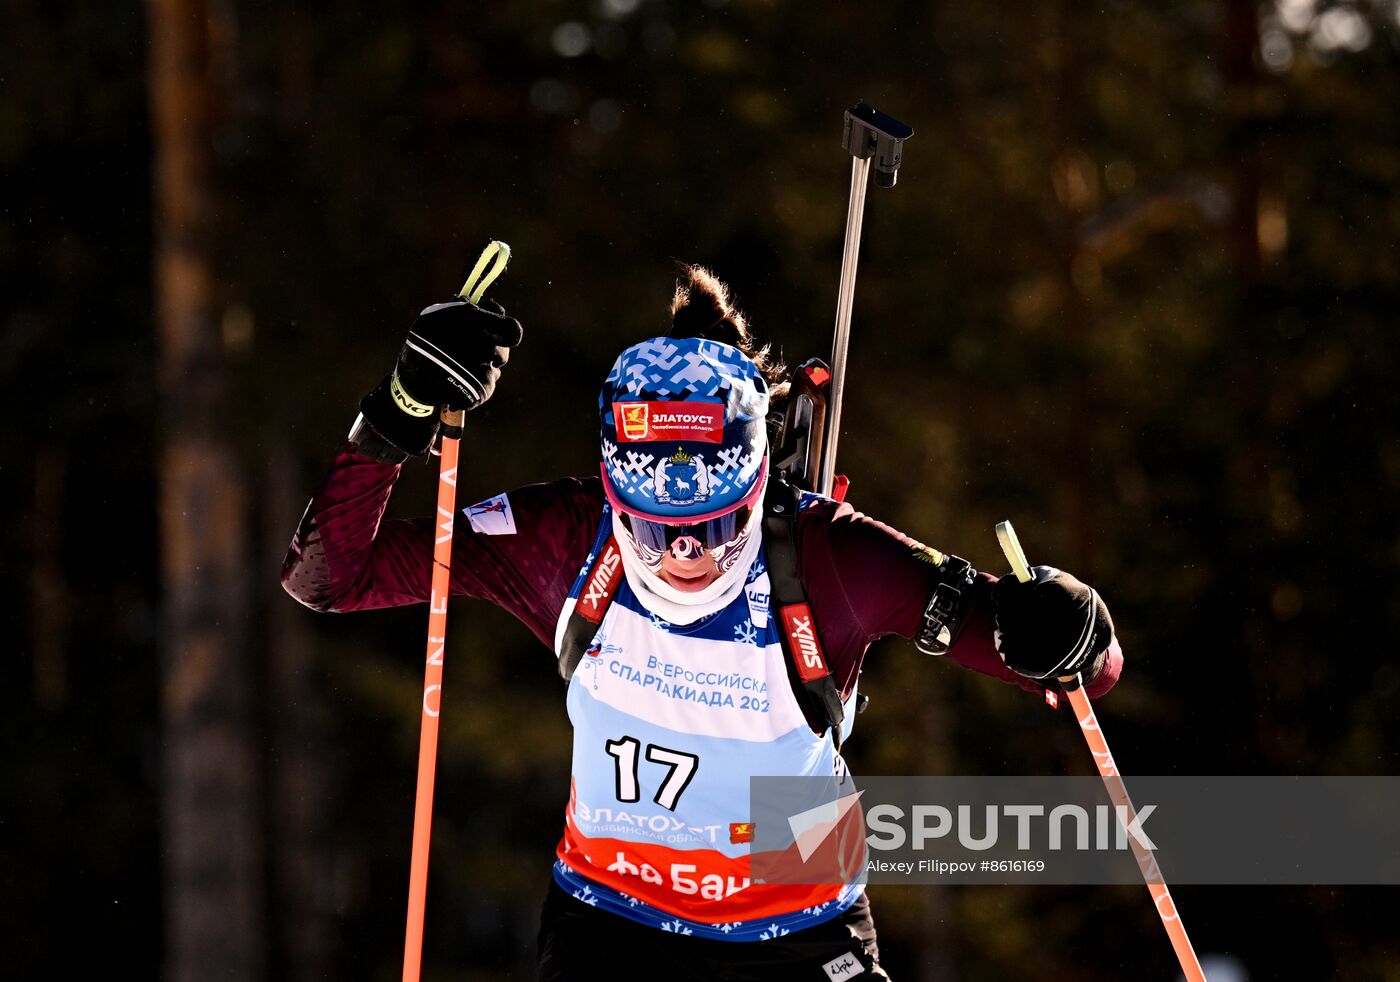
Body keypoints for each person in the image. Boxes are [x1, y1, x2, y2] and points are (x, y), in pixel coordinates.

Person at [281, 265, 1122, 981]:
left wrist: (1063, 627)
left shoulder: (831, 557)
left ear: (757, 485)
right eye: (652, 525)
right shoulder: (563, 537)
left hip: (800, 934)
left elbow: (1075, 666)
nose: (686, 553)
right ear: (614, 491)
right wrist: (399, 411)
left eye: (717, 523)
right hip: (612, 926)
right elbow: (327, 578)